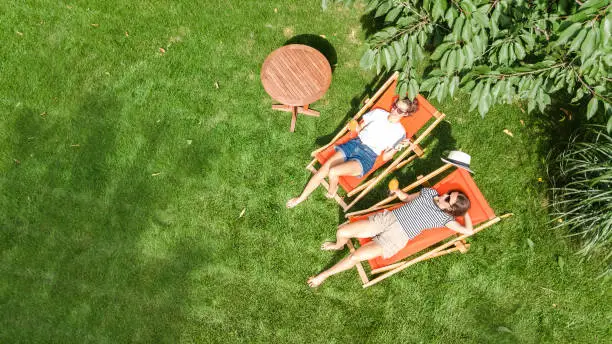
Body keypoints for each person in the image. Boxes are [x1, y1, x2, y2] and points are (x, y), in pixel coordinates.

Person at [306, 187, 473, 288]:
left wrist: (464, 214)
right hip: (387, 219)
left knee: (356, 256)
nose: (445, 194)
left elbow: (468, 231)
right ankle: (338, 245)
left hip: (396, 238)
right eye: (449, 193)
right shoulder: (430, 192)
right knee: (342, 232)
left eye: (448, 198)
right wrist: (398, 192)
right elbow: (407, 198)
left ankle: (324, 275)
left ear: (451, 209)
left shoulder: (445, 218)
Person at [286, 98, 418, 208]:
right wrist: (355, 126)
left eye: (399, 110)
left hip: (367, 156)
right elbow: (360, 128)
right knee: (323, 170)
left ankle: (332, 191)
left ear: (405, 114)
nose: (394, 109)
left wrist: (396, 148)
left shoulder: (399, 133)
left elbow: (385, 157)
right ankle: (301, 198)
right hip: (354, 144)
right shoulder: (378, 113)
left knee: (333, 171)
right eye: (395, 105)